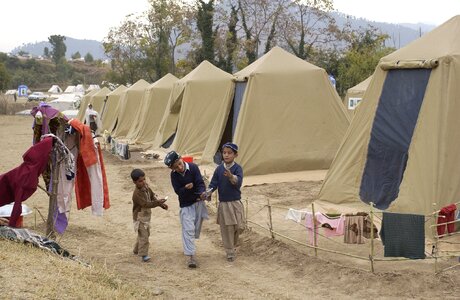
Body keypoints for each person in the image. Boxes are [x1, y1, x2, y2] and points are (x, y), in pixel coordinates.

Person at [164, 150, 208, 268]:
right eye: (176, 167)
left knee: (194, 229)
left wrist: (202, 193)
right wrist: (186, 188)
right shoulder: (174, 176)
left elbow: (200, 182)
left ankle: (190, 248)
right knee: (188, 229)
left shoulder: (193, 168)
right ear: (172, 169)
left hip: (198, 203)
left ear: (181, 159)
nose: (179, 167)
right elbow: (178, 192)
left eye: (179, 163)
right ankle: (191, 257)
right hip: (186, 205)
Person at [201, 142, 245, 262]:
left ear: (235, 155)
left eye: (229, 153)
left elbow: (238, 182)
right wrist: (207, 193)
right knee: (227, 228)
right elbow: (213, 184)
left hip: (235, 203)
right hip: (224, 204)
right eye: (224, 153)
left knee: (239, 227)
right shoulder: (219, 169)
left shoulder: (238, 168)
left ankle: (233, 245)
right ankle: (230, 251)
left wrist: (231, 177)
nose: (226, 155)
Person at [131, 168, 168, 262]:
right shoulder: (137, 194)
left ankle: (136, 250)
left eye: (144, 179)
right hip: (139, 218)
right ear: (134, 182)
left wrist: (161, 204)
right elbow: (146, 204)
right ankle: (144, 254)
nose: (143, 182)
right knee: (144, 236)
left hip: (146, 216)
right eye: (140, 181)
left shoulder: (146, 188)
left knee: (145, 234)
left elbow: (152, 197)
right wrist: (158, 203)